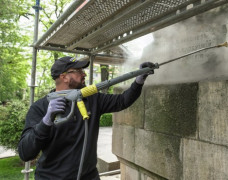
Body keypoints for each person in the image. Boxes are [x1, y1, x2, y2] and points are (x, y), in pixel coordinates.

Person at [18, 56, 155, 180]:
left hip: (89, 177)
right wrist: (46, 121)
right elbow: (26, 153)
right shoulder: (40, 107)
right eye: (78, 71)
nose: (83, 74)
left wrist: (139, 80)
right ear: (64, 77)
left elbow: (122, 101)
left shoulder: (92, 99)